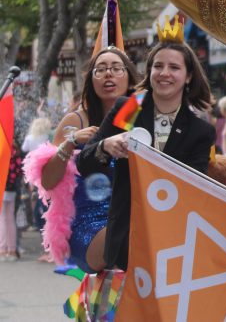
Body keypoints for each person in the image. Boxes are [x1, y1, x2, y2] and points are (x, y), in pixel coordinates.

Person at [77, 39, 216, 270]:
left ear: (188, 76)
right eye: (158, 66)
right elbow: (84, 163)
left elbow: (196, 189)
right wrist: (105, 146)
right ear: (149, 70)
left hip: (175, 243)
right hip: (126, 241)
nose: (164, 73)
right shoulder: (129, 108)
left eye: (174, 67)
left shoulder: (199, 130)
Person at [24, 47, 140, 271]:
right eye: (101, 70)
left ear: (129, 77)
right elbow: (48, 181)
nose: (108, 74)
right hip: (89, 225)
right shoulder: (75, 120)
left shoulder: (141, 119)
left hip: (131, 218)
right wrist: (70, 143)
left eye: (116, 68)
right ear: (91, 81)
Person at [0, 147, 23, 260]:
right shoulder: (15, 152)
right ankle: (12, 249)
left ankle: (3, 249)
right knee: (10, 218)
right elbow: (20, 170)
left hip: (2, 187)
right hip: (12, 188)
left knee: (3, 218)